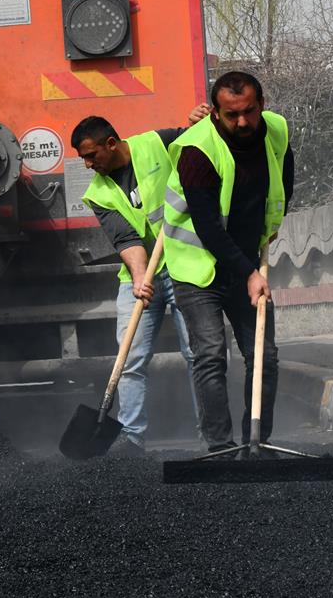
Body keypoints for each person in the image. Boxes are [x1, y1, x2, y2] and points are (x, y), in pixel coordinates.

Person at [163, 71, 294, 453]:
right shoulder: (195, 151)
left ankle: (258, 442)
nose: (242, 122)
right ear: (215, 113)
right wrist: (249, 272)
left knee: (264, 355)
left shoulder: (276, 130)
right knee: (210, 353)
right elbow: (206, 226)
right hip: (196, 266)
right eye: (231, 114)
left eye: (249, 112)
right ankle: (221, 446)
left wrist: (272, 225)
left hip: (247, 260)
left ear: (262, 105)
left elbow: (285, 177)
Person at [70, 104, 209, 451]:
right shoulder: (97, 192)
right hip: (140, 274)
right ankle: (132, 437)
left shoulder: (156, 143)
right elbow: (125, 239)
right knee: (129, 359)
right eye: (83, 158)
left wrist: (198, 124)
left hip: (183, 265)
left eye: (90, 155)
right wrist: (139, 277)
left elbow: (199, 145)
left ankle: (210, 432)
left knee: (196, 353)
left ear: (111, 143)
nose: (88, 164)